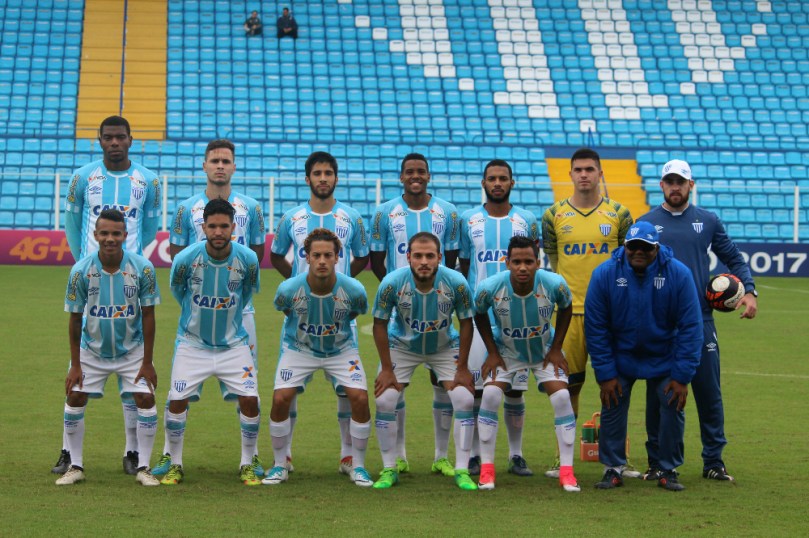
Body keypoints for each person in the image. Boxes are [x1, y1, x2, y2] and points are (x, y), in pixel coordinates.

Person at [151, 139, 266, 479]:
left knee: (248, 390)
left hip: (239, 313)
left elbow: (257, 255)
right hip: (198, 311)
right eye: (214, 160)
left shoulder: (252, 208)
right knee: (178, 394)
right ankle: (171, 457)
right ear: (204, 165)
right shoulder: (186, 209)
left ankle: (252, 456)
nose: (220, 165)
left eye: (226, 160)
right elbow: (176, 262)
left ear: (234, 166)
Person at [638, 159, 758, 482]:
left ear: (691, 185)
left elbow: (733, 256)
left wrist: (750, 291)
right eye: (669, 182)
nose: (675, 187)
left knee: (709, 392)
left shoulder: (707, 220)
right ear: (661, 186)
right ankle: (656, 460)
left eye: (681, 182)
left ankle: (714, 461)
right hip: (660, 324)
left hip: (700, 320)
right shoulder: (646, 223)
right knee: (658, 394)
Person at [56, 115, 161, 477]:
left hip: (130, 277)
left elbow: (148, 225)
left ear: (131, 140)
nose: (115, 143)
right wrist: (81, 261)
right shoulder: (83, 177)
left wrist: (136, 256)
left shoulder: (148, 180)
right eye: (108, 138)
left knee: (132, 358)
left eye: (121, 137)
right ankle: (68, 452)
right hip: (92, 275)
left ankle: (133, 450)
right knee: (80, 364)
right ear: (99, 141)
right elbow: (72, 222)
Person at [270, 151, 369, 475]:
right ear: (307, 178)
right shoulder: (292, 217)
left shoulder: (352, 218)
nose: (323, 178)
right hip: (301, 321)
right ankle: (283, 458)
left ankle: (347, 456)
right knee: (287, 391)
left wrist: (341, 285)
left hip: (339, 320)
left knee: (347, 390)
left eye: (328, 173)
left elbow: (363, 259)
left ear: (336, 178)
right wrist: (299, 286)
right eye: (317, 173)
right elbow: (275, 256)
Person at [585, 221, 703, 491]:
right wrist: (605, 373)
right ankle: (613, 468)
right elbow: (596, 327)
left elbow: (691, 327)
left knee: (673, 402)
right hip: (621, 355)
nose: (639, 251)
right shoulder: (604, 274)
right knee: (612, 403)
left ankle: (668, 467)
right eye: (633, 246)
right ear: (624, 246)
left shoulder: (679, 274)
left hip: (664, 355)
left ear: (656, 248)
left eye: (646, 247)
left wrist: (682, 376)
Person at [540, 147, 634, 478]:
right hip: (570, 316)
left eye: (590, 169)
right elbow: (554, 262)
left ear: (600, 173)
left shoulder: (620, 214)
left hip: (613, 314)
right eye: (578, 169)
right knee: (569, 388)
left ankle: (617, 460)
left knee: (616, 386)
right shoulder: (553, 216)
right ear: (570, 174)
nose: (584, 175)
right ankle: (562, 460)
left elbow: (628, 262)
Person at [369, 153, 461, 477]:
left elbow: (452, 258)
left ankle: (441, 456)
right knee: (396, 386)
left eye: (421, 171)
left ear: (429, 175)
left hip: (440, 313)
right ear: (401, 176)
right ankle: (400, 456)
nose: (415, 176)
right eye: (409, 172)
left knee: (442, 383)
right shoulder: (384, 213)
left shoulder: (447, 212)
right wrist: (397, 295)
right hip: (401, 314)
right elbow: (376, 259)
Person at [262, 228, 373, 487]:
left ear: (337, 258)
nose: (322, 261)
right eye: (316, 255)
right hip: (299, 348)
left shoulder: (354, 289)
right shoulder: (288, 289)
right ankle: (280, 464)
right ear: (307, 257)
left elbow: (355, 313)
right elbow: (285, 309)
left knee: (359, 397)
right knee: (281, 398)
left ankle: (358, 465)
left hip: (341, 349)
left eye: (328, 255)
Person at [371, 232, 477, 491]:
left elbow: (466, 322)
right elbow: (379, 324)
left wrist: (462, 367)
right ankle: (391, 466)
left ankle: (458, 468)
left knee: (464, 398)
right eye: (417, 255)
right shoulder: (391, 282)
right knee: (385, 399)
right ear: (408, 257)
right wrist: (386, 368)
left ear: (440, 257)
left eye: (430, 256)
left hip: (443, 346)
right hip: (402, 346)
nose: (424, 261)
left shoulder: (456, 282)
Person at [473, 236, 580, 492]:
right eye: (517, 261)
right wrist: (492, 352)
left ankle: (567, 472)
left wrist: (556, 348)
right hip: (507, 352)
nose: (523, 267)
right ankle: (487, 469)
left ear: (538, 262)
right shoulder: (489, 287)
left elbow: (567, 308)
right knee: (489, 395)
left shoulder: (555, 284)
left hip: (543, 350)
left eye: (529, 262)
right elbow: (478, 313)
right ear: (507, 262)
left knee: (563, 398)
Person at [458, 159, 541, 477]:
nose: (497, 183)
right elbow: (463, 265)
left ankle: (516, 455)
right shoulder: (469, 220)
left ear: (512, 182)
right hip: (480, 318)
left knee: (515, 389)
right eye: (491, 178)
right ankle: (477, 454)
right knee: (478, 389)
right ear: (483, 182)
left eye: (502, 178)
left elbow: (533, 265)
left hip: (517, 318)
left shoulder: (527, 220)